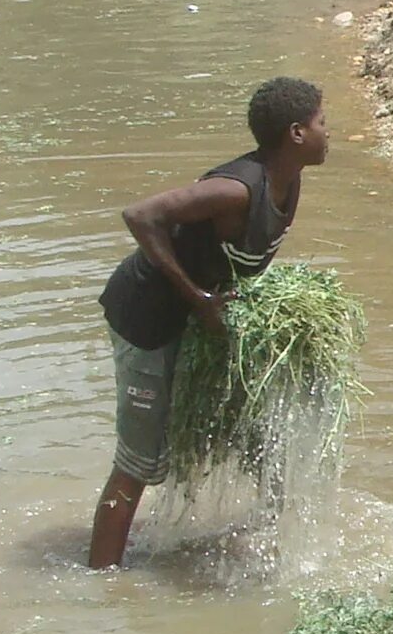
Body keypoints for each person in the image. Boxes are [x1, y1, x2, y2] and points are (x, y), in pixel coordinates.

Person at [88, 76, 328, 569]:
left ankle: (270, 552)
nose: (331, 132)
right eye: (323, 122)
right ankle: (100, 582)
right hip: (147, 319)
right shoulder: (236, 190)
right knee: (138, 461)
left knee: (254, 433)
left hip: (200, 316)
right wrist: (197, 298)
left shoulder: (289, 180)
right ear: (296, 134)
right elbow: (140, 215)